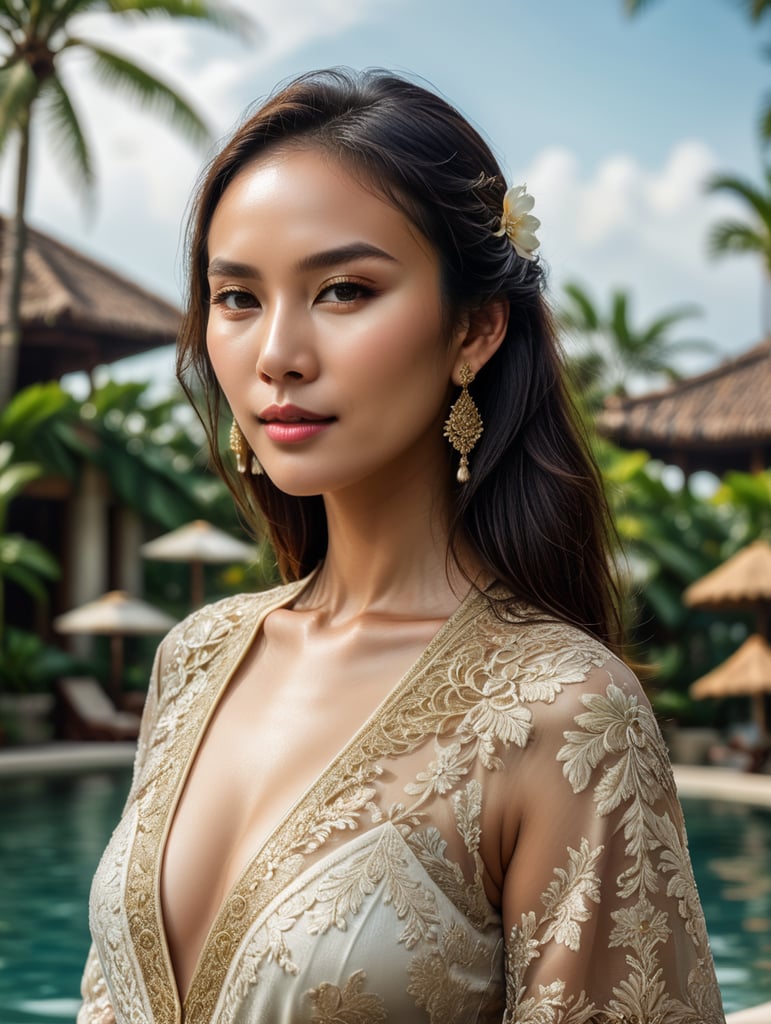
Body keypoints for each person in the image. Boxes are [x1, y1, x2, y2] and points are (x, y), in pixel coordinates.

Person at [78, 68, 726, 1024]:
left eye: (343, 290)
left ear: (473, 329)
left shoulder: (563, 713)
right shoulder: (196, 656)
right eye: (237, 297)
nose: (277, 355)